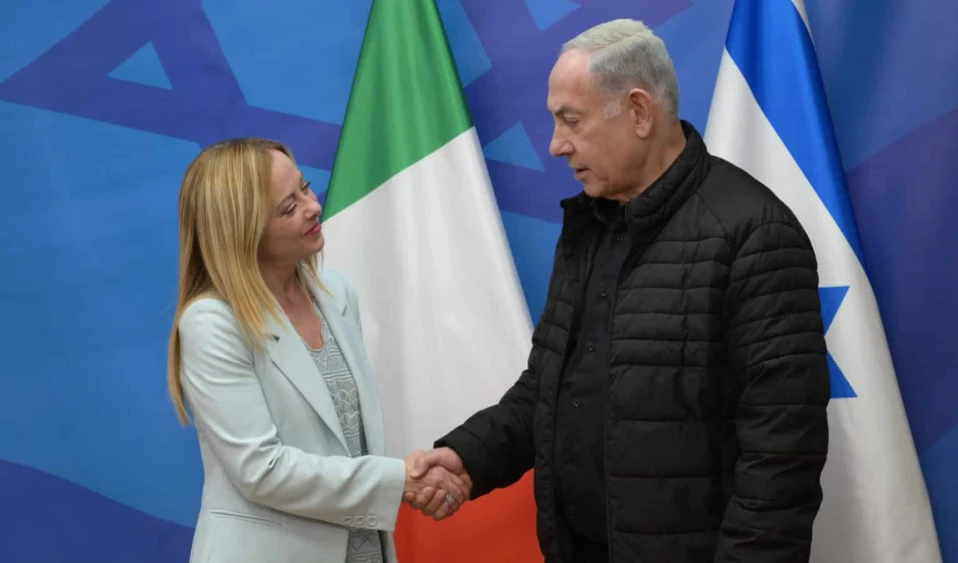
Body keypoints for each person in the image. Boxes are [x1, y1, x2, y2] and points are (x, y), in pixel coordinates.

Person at [407, 18, 831, 563]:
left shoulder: (754, 234)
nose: (555, 145)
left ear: (638, 112)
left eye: (571, 120)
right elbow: (549, 390)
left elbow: (782, 455)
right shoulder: (588, 228)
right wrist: (469, 457)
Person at [166, 137, 469, 563]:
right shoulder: (212, 323)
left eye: (305, 188)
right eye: (288, 208)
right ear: (242, 232)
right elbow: (261, 470)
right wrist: (402, 479)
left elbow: (353, 445)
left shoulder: (336, 293)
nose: (312, 207)